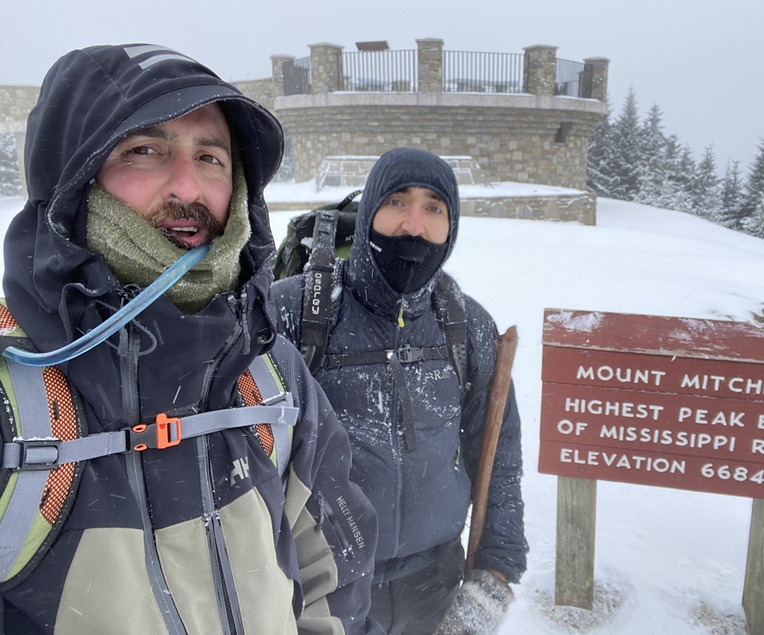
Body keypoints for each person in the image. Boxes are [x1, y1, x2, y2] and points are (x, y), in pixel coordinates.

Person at [0, 44, 381, 634]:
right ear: (70, 177)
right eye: (144, 151)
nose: (189, 187)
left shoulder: (266, 370)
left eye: (211, 157)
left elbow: (333, 561)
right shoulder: (15, 393)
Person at [271, 148, 528, 634]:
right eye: (397, 202)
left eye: (434, 208)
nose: (414, 225)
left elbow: (499, 456)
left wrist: (493, 576)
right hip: (317, 586)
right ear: (369, 212)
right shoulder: (293, 314)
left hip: (435, 584)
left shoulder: (466, 325)